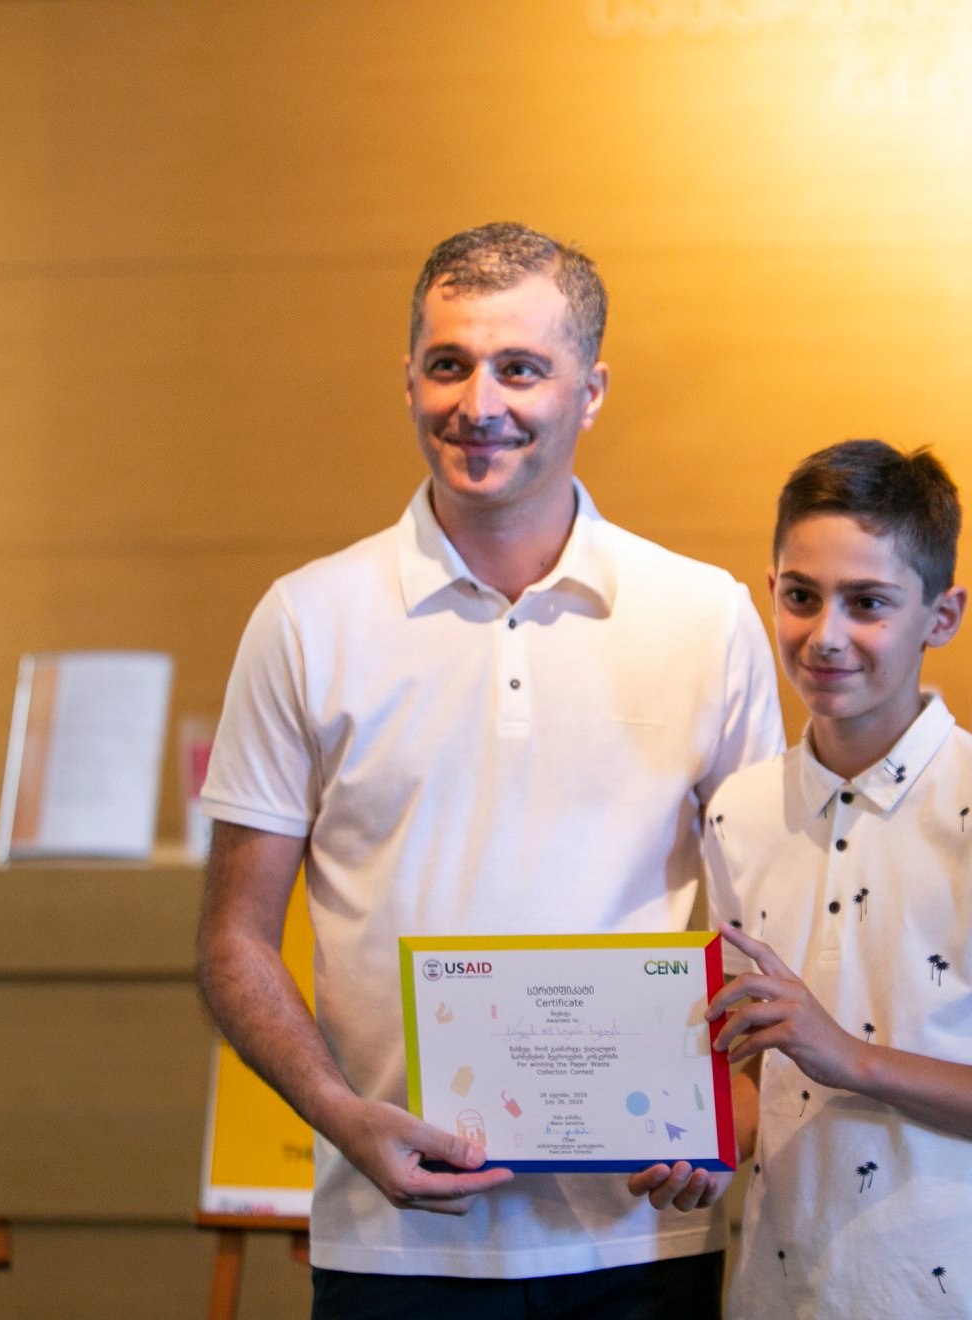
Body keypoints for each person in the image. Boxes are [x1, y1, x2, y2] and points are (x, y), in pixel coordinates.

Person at [195, 222, 783, 1319]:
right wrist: (340, 1113)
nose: (480, 404)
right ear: (408, 378)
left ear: (590, 391)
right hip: (397, 1248)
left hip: (642, 1236)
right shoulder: (306, 620)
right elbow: (234, 939)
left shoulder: (705, 618)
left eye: (520, 368)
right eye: (449, 364)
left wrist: (739, 1110)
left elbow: (774, 923)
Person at [633, 439, 972, 1318]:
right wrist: (700, 1150)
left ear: (942, 614)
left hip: (971, 1298)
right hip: (783, 1295)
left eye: (867, 603)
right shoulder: (738, 811)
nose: (825, 635)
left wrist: (852, 1058)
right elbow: (758, 1075)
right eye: (801, 596)